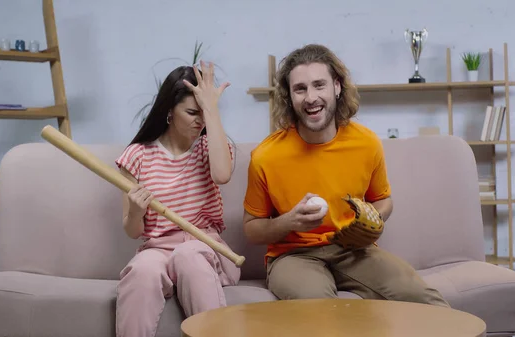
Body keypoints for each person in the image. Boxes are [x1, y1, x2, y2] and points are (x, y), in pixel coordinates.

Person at [242, 44, 449, 307]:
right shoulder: (266, 156)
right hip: (293, 256)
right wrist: (289, 222)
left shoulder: (366, 143)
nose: (310, 97)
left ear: (337, 87)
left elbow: (384, 200)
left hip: (355, 250)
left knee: (426, 301)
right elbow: (251, 229)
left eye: (319, 85)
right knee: (324, 312)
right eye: (300, 89)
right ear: (289, 97)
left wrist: (373, 217)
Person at [115, 61, 240, 337]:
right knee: (142, 271)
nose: (201, 121)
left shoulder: (210, 145)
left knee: (188, 255)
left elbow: (221, 175)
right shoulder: (137, 156)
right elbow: (133, 231)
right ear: (169, 111)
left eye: (204, 112)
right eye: (193, 112)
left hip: (205, 245)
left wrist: (211, 108)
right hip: (157, 248)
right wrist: (136, 211)